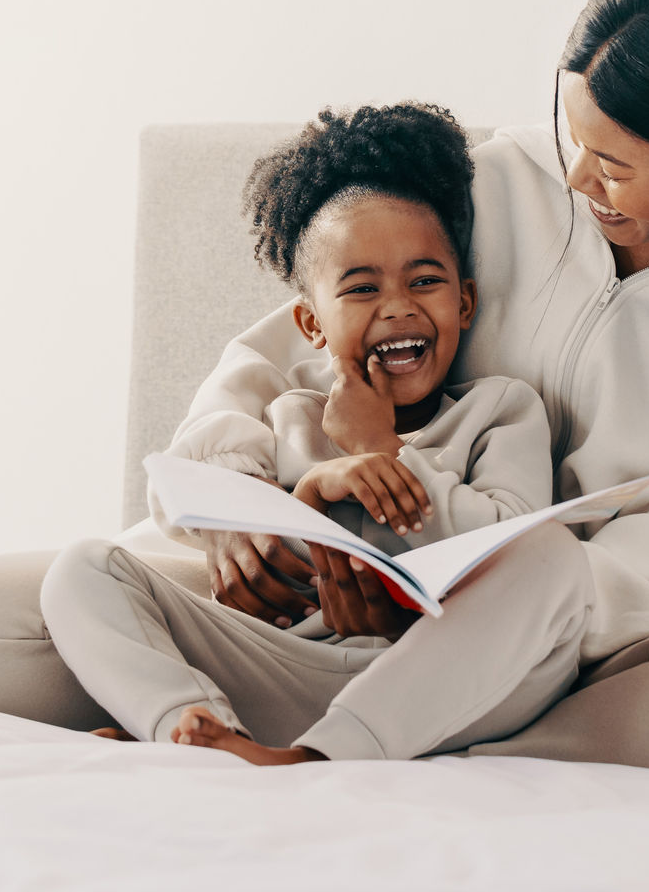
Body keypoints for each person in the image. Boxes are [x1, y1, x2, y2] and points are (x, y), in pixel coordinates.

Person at [0, 0, 649, 769]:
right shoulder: (488, 186)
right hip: (308, 606)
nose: (575, 177)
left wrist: (430, 589)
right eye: (573, 136)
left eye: (611, 162)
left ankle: (374, 746)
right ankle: (272, 727)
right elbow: (276, 357)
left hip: (535, 650)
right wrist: (233, 511)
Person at [37, 102, 592, 764]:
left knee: (552, 555)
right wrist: (313, 492)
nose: (398, 306)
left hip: (441, 684)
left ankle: (315, 758)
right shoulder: (291, 415)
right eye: (361, 289)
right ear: (311, 325)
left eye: (425, 281)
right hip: (292, 666)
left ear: (464, 302)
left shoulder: (501, 411)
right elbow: (275, 571)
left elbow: (501, 544)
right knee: (81, 569)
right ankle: (197, 732)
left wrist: (376, 454)